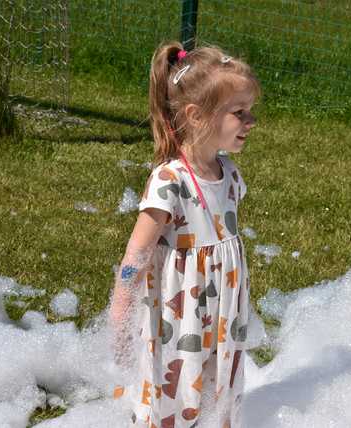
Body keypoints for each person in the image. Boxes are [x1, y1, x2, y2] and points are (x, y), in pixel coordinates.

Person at [109, 41, 259, 428]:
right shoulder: (169, 181)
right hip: (179, 314)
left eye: (250, 111)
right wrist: (122, 308)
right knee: (174, 390)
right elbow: (136, 254)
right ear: (196, 115)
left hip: (224, 313)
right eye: (239, 113)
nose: (251, 121)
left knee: (218, 387)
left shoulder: (231, 178)